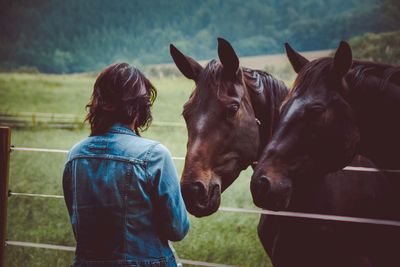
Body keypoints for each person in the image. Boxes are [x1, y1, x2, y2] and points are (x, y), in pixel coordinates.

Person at [62, 63, 189, 267]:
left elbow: (79, 226)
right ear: (140, 106)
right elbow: (178, 229)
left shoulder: (75, 156)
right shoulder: (154, 156)